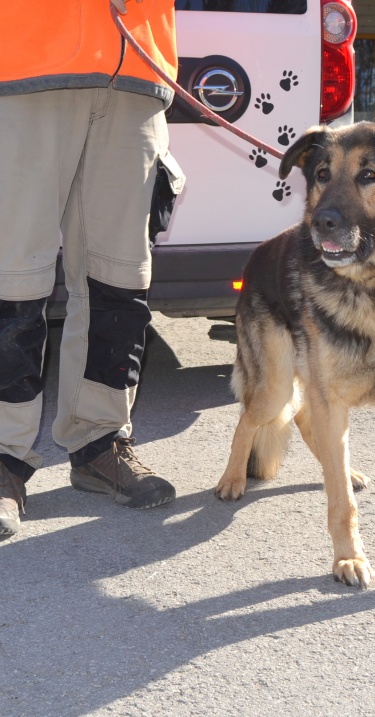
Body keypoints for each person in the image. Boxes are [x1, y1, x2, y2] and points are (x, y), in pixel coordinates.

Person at [0, 0, 180, 538]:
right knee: (13, 281)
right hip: (23, 64)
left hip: (137, 74)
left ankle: (100, 441)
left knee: (119, 280)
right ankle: (4, 456)